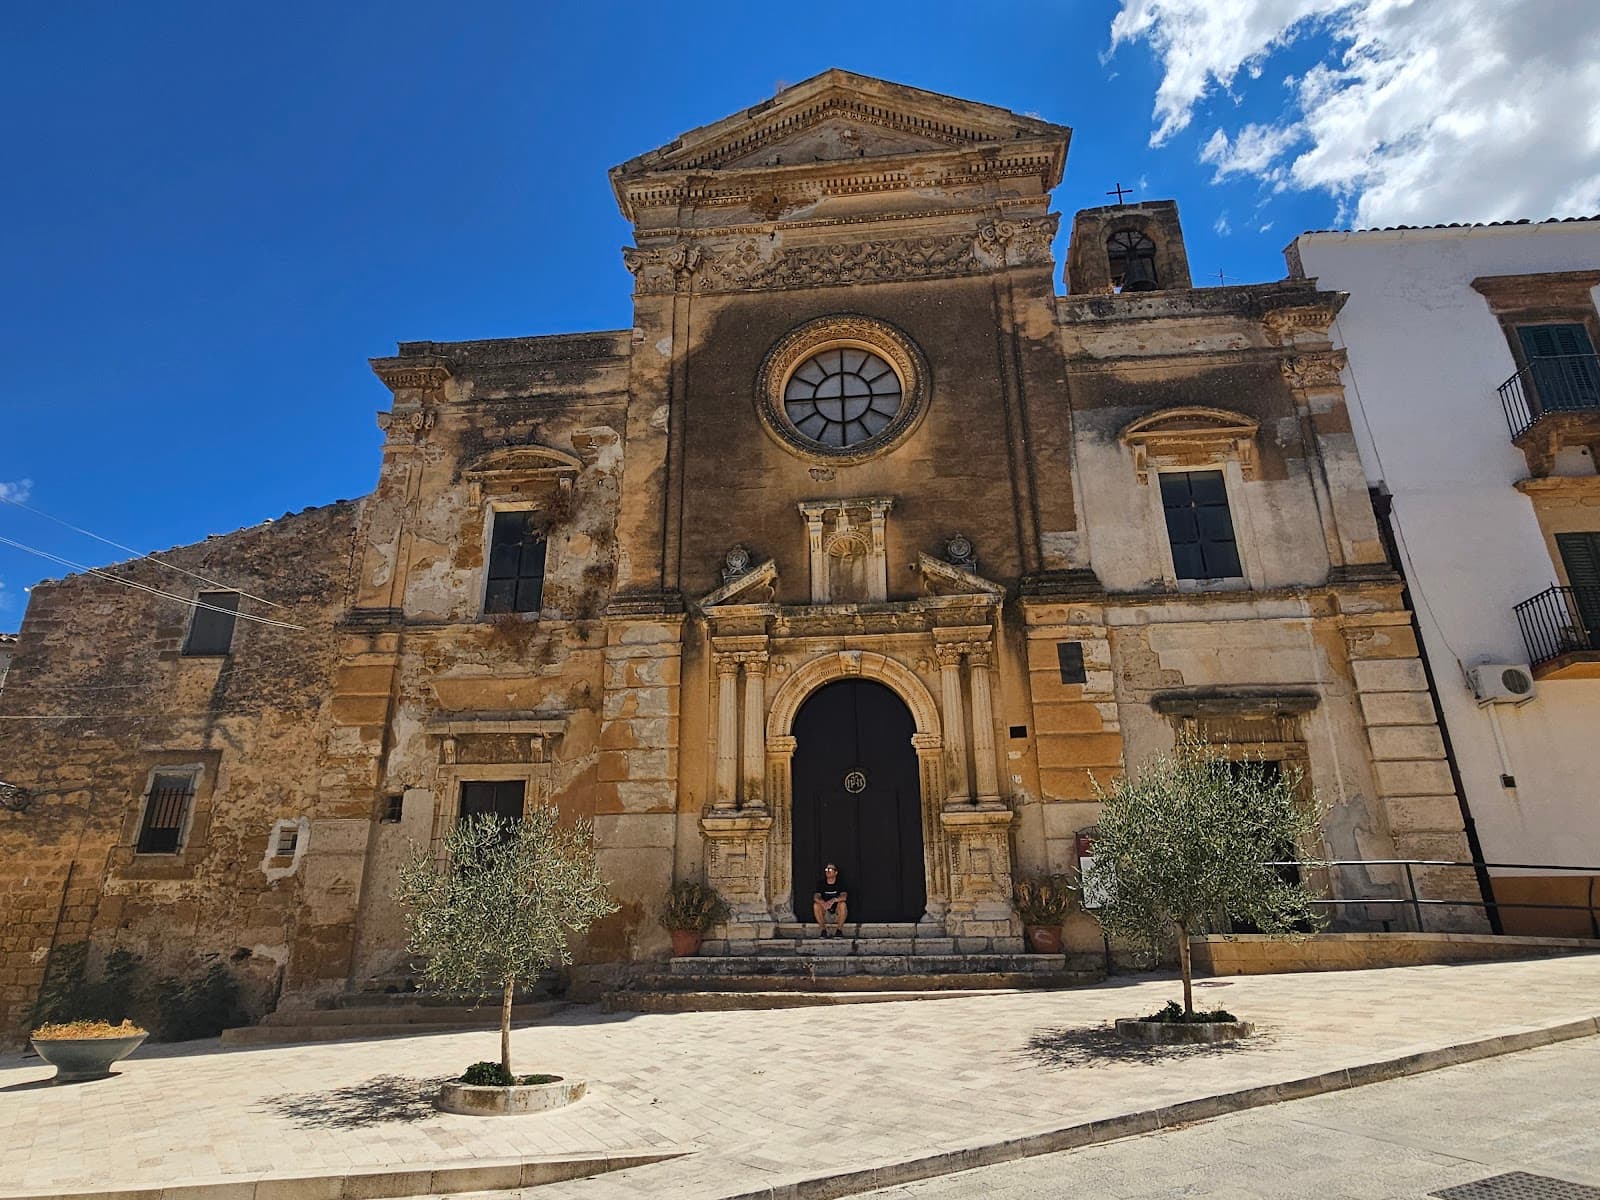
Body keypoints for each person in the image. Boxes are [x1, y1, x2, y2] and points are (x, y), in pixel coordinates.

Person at [813, 863, 849, 937]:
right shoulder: (821, 883)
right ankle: (823, 931)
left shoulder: (840, 883)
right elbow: (816, 897)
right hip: (825, 914)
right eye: (826, 869)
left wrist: (833, 900)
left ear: (836, 872)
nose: (827, 871)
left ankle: (839, 931)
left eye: (830, 869)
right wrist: (823, 903)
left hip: (837, 914)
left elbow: (844, 897)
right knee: (816, 905)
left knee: (843, 904)